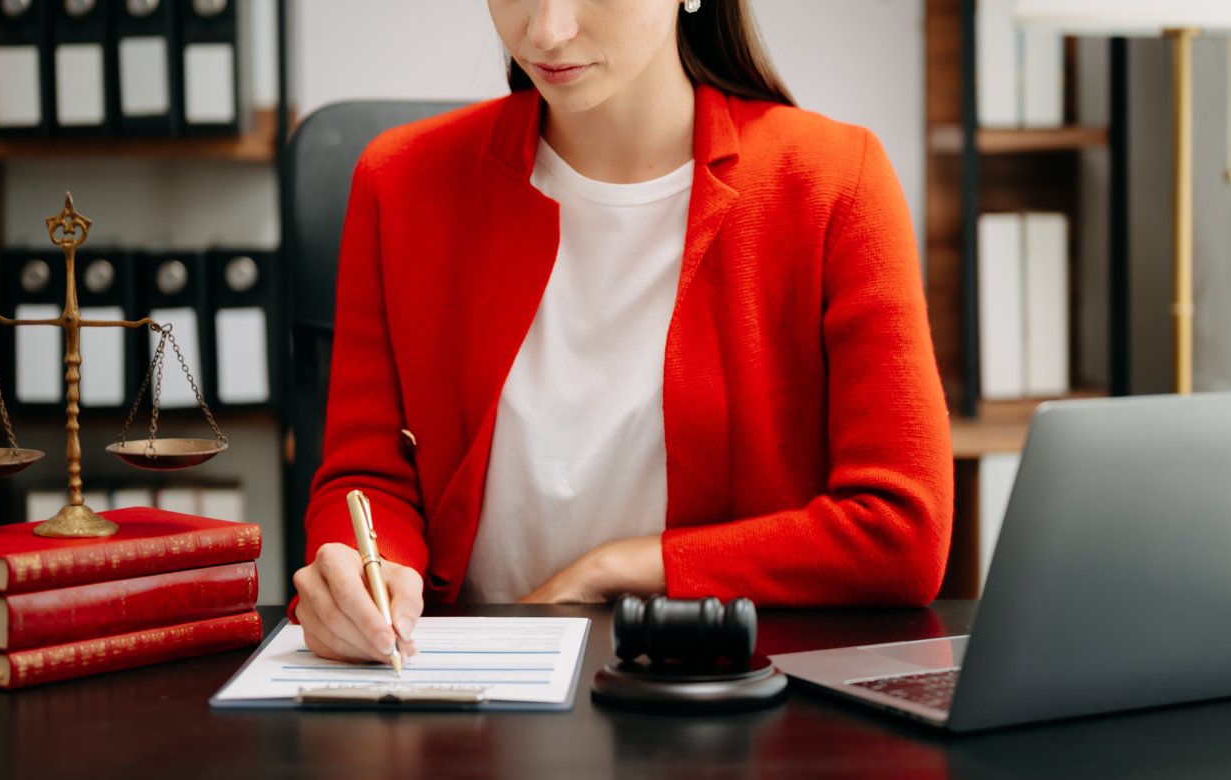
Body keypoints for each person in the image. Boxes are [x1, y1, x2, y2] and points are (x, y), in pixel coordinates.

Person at [291, 0, 953, 664]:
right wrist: (359, 572)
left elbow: (901, 533)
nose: (546, 31)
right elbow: (367, 478)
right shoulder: (401, 181)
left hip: (719, 699)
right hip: (471, 693)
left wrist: (619, 570)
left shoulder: (834, 182)